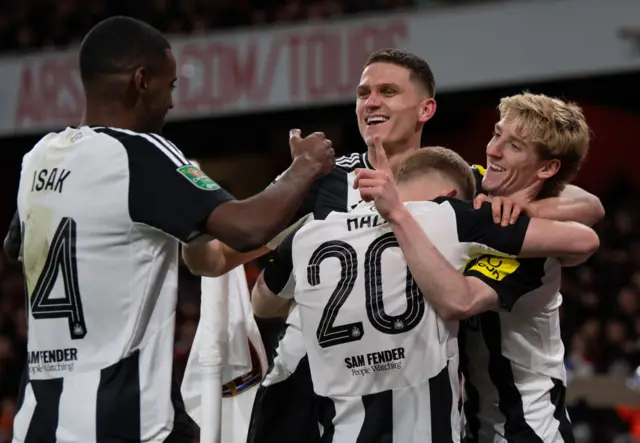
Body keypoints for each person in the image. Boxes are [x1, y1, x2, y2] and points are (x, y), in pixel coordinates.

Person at [180, 49, 604, 442]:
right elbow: (218, 258)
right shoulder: (322, 181)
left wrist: (517, 206)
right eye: (363, 93)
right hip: (310, 391)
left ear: (426, 109)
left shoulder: (459, 183)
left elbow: (589, 207)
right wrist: (196, 217)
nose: (372, 102)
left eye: (387, 91)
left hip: (425, 400)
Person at [3, 16, 334, 443]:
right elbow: (246, 228)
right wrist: (304, 168)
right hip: (121, 422)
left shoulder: (39, 158)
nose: (172, 102)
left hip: (37, 422)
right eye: (170, 85)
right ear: (142, 81)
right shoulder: (139, 153)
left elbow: (16, 248)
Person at [250, 140, 599, 442]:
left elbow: (262, 302)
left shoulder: (310, 234)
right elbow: (584, 238)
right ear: (450, 197)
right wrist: (518, 210)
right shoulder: (449, 217)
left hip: (336, 425)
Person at [377, 93, 598, 442]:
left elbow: (460, 301)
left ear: (546, 168)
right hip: (475, 425)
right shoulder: (476, 187)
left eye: (513, 146)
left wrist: (528, 210)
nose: (493, 149)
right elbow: (592, 204)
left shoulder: (535, 246)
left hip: (528, 428)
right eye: (497, 134)